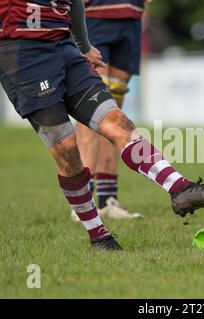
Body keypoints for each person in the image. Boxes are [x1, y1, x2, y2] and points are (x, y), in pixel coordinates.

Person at [0, 0, 204, 251]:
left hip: (65, 48)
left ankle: (180, 188)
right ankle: (97, 234)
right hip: (24, 55)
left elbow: (75, 3)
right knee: (66, 147)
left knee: (117, 121)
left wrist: (83, 47)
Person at [73, 0, 149, 221]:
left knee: (115, 107)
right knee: (91, 104)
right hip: (94, 14)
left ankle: (107, 199)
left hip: (132, 14)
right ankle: (83, 200)